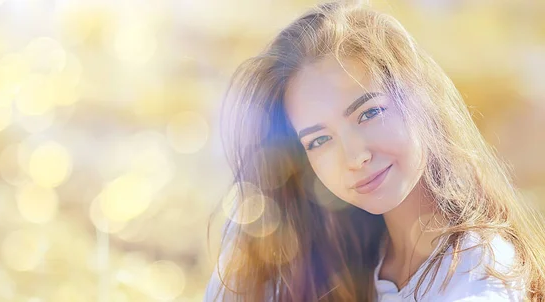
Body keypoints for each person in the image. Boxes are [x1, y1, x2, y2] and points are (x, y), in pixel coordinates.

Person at [204, 1, 545, 301]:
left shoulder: (478, 275)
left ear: (419, 100)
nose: (355, 157)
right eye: (319, 141)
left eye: (369, 113)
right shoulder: (332, 249)